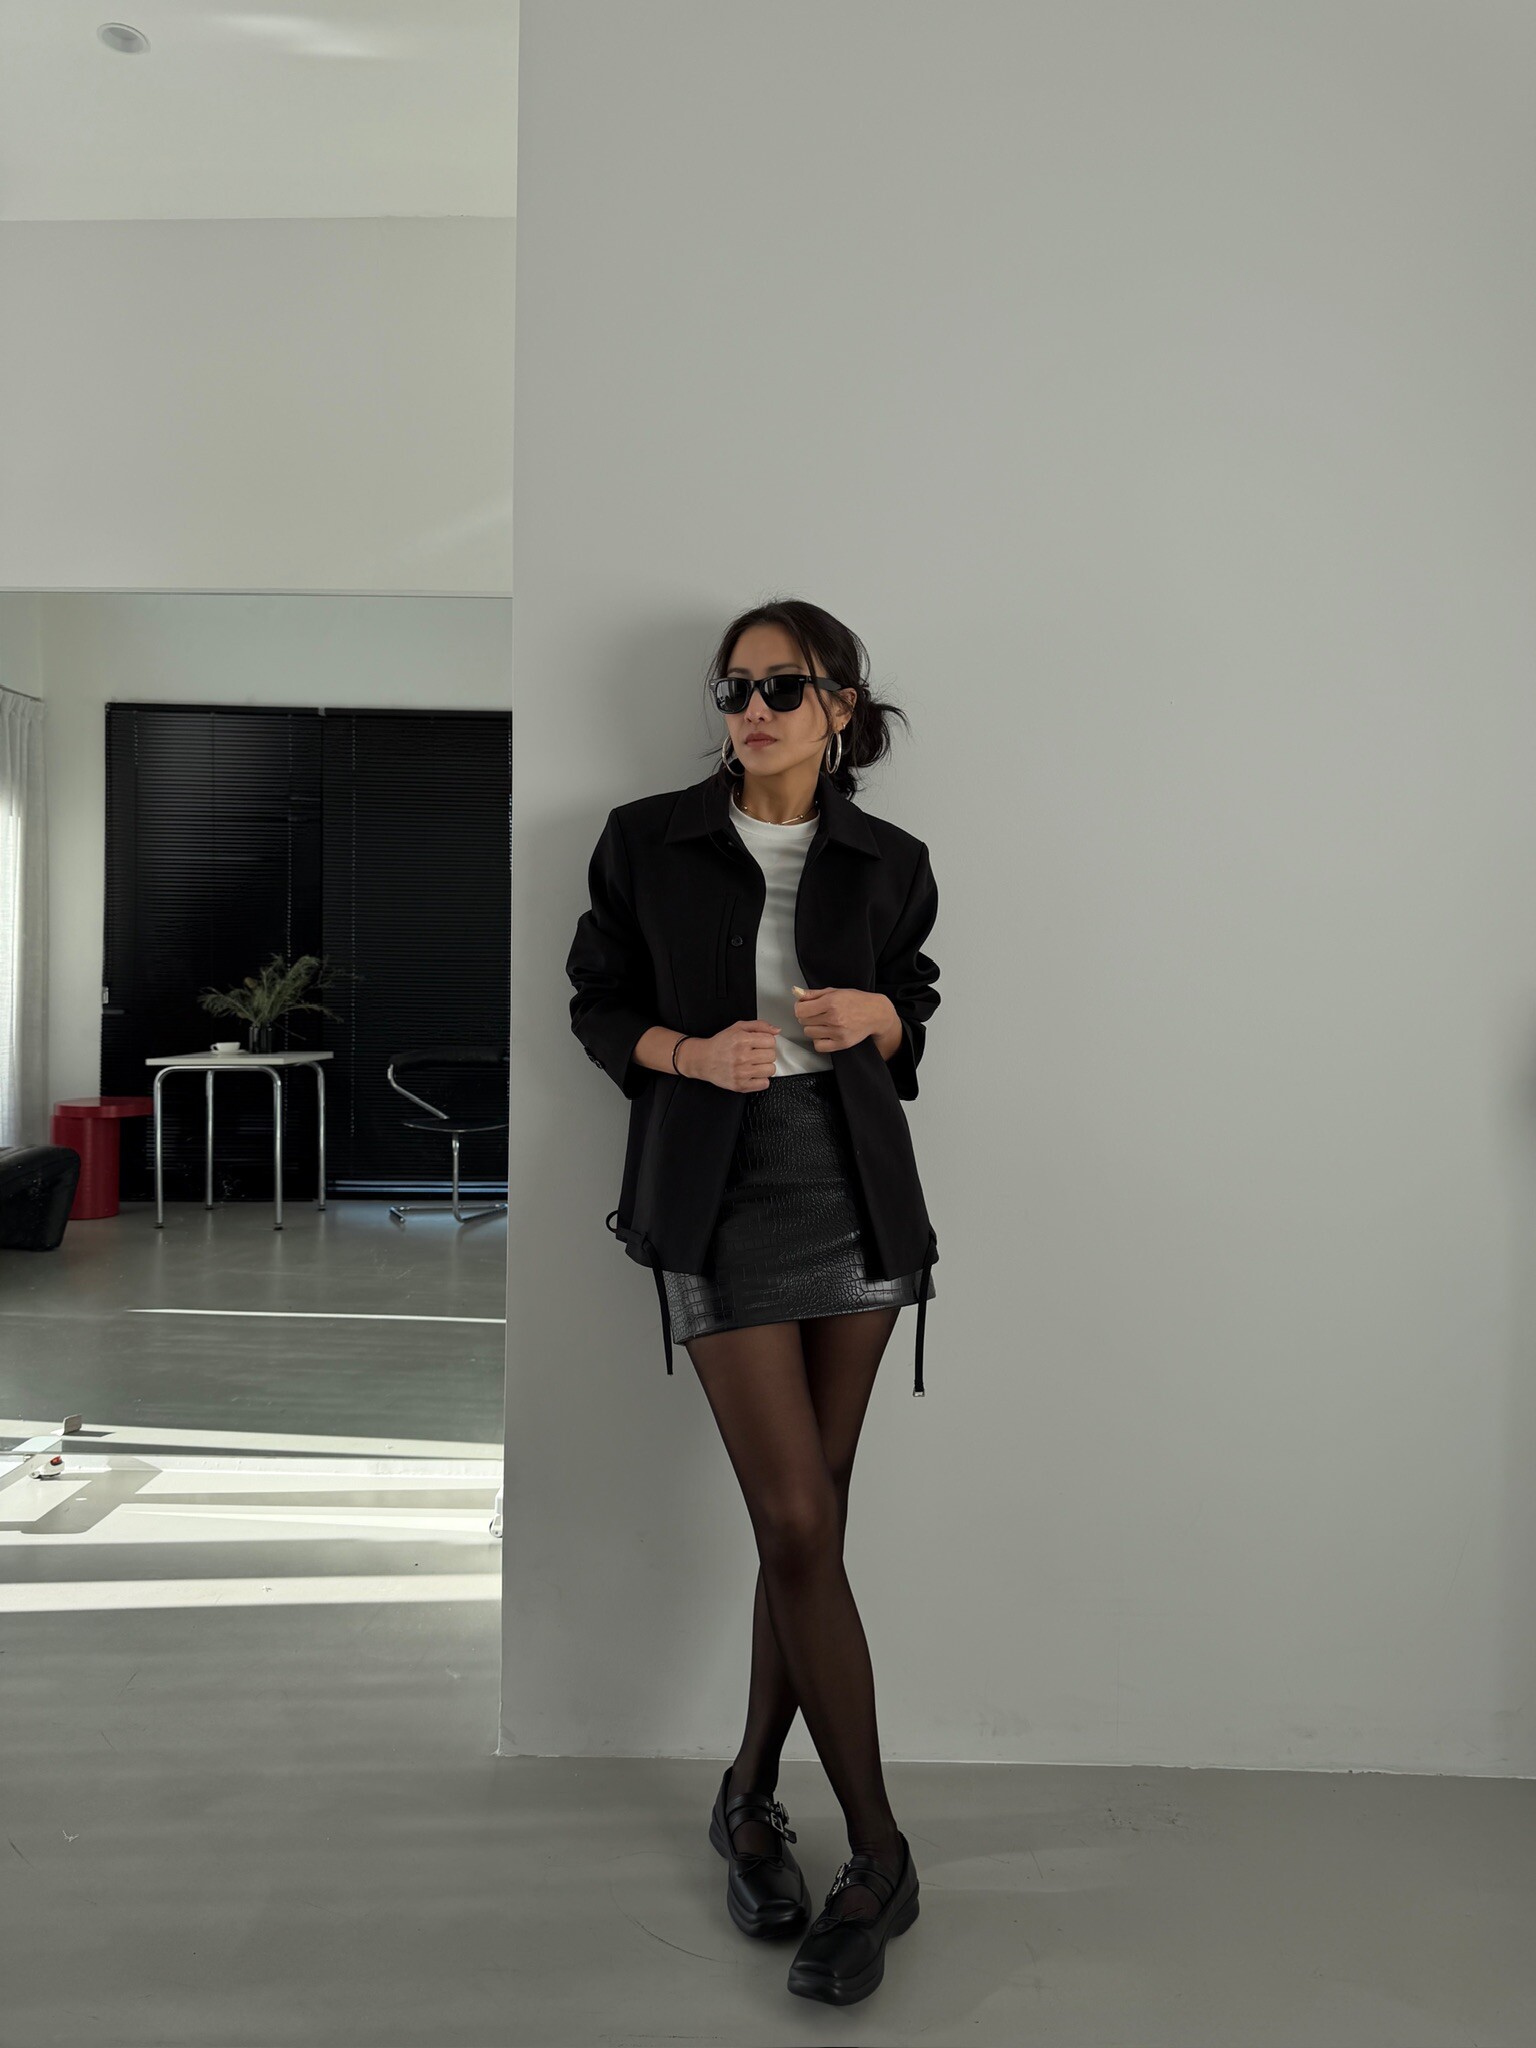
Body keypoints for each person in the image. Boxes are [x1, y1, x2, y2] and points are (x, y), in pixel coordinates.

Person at [565, 597, 941, 2008]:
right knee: (795, 1521)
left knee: (811, 1526)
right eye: (735, 688)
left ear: (840, 704)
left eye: (785, 686)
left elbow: (916, 998)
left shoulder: (892, 861)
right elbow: (597, 1001)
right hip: (714, 1197)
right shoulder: (644, 841)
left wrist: (882, 1019)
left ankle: (746, 1796)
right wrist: (682, 1050)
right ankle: (882, 1853)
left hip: (856, 1195)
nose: (755, 710)